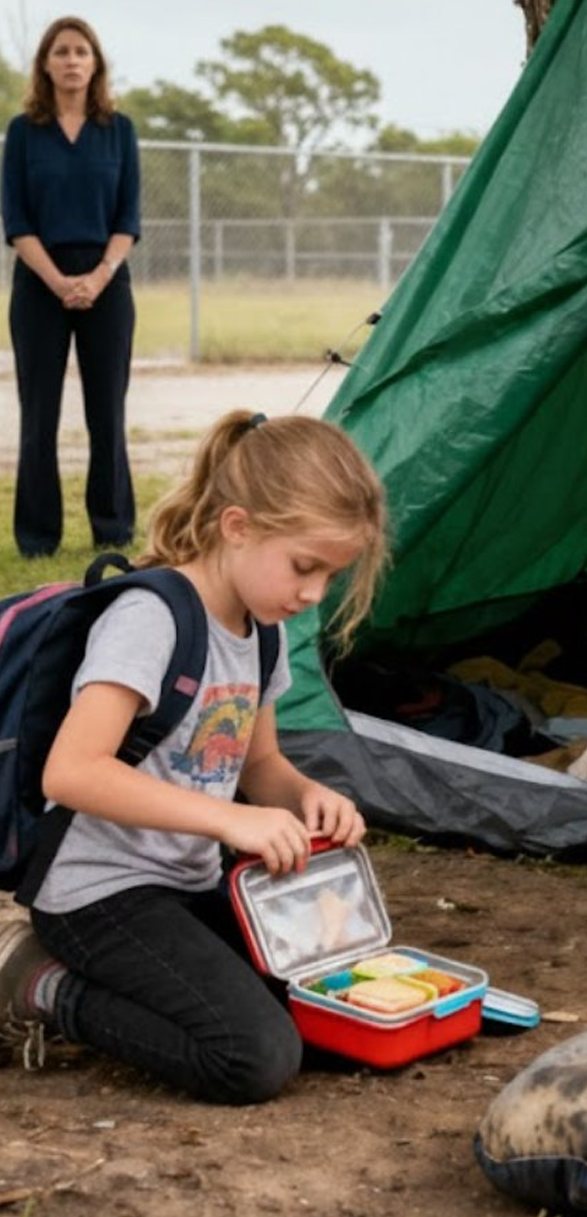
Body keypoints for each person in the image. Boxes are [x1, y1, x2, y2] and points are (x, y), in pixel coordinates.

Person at [0, 410, 388, 1102]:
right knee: (254, 1057)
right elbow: (73, 772)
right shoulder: (150, 620)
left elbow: (260, 766)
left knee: (328, 1002)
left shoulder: (261, 632)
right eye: (305, 567)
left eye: (332, 576)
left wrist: (307, 796)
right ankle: (36, 982)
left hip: (188, 882)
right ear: (237, 526)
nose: (313, 595)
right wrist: (228, 820)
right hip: (98, 892)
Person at [1, 15, 141, 557]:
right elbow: (16, 220)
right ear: (45, 64)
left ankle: (113, 530)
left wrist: (99, 277)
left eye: (82, 51)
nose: (72, 61)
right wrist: (59, 282)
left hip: (107, 279)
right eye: (61, 52)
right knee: (39, 414)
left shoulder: (119, 131)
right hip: (41, 281)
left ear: (96, 63)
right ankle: (38, 537)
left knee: (107, 412)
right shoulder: (24, 133)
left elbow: (128, 217)